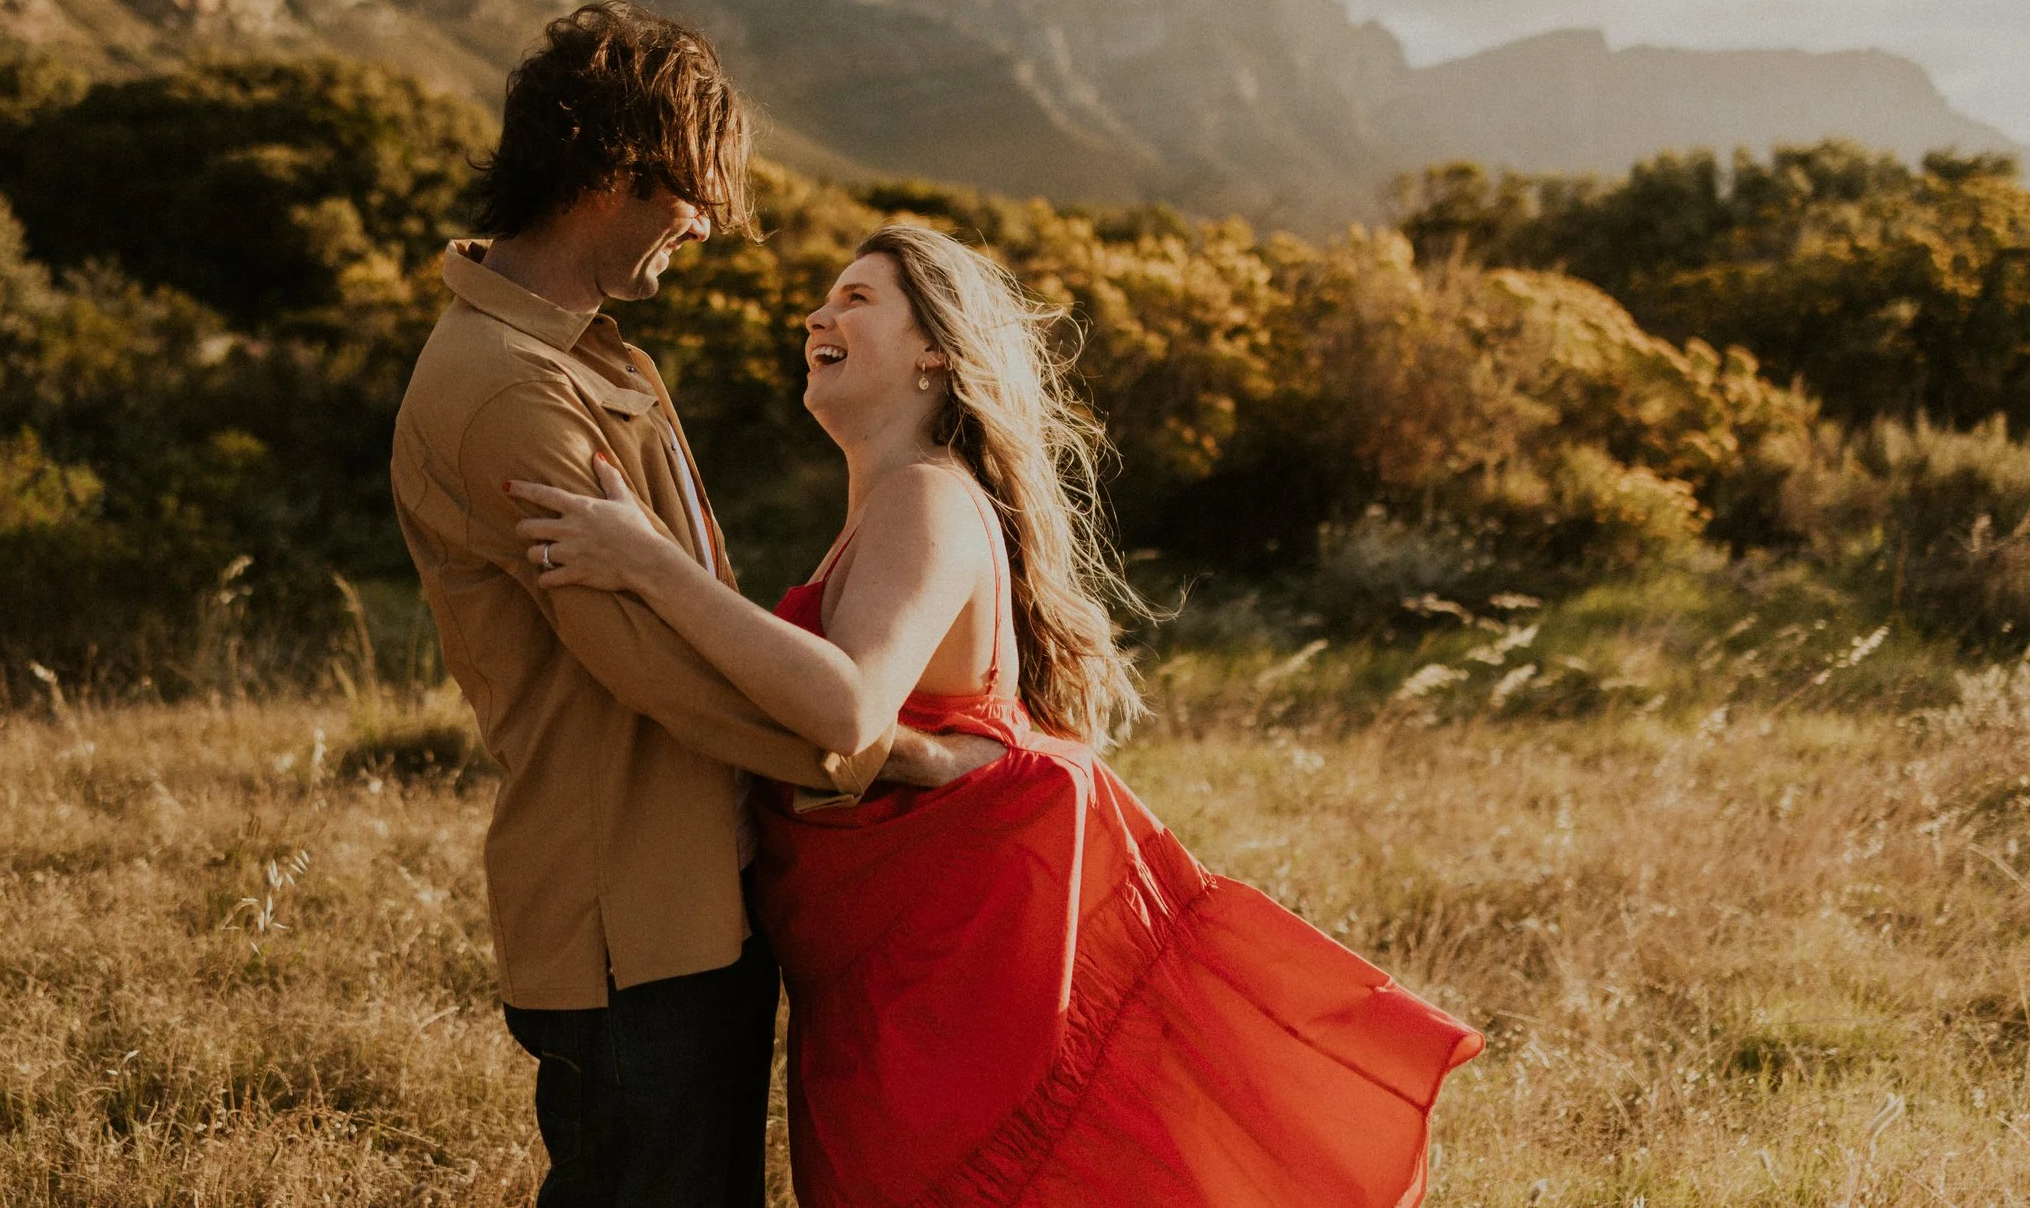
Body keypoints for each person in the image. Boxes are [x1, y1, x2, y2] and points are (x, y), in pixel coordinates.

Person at [511, 222, 1485, 1206]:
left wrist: (648, 564)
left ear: (935, 348)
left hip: (941, 996)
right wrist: (918, 758)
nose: (820, 312)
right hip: (883, 989)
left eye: (857, 297)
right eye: (825, 298)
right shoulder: (892, 505)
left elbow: (846, 704)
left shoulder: (924, 497)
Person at [389, 2, 999, 1208]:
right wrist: (889, 756)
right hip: (626, 914)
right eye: (692, 187)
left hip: (695, 895)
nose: (709, 220)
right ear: (613, 171)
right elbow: (650, 666)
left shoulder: (596, 356)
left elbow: (689, 606)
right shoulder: (505, 388)